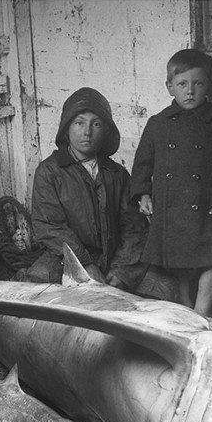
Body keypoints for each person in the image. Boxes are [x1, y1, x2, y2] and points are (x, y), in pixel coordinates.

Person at [28, 87, 175, 300]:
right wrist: (85, 264)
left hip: (116, 258)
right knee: (34, 291)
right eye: (79, 123)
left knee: (166, 289)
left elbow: (134, 229)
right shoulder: (49, 172)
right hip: (66, 258)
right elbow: (50, 227)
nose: (87, 131)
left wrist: (121, 272)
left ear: (106, 130)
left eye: (96, 124)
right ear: (66, 128)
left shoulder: (117, 174)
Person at [130, 49, 212, 317]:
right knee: (177, 260)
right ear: (169, 87)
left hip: (207, 205)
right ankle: (186, 302)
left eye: (198, 84)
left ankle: (201, 310)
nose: (190, 92)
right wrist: (143, 195)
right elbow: (143, 163)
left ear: (208, 85)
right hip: (171, 205)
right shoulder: (159, 123)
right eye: (182, 84)